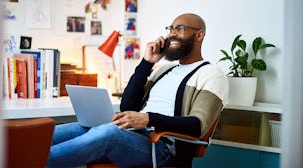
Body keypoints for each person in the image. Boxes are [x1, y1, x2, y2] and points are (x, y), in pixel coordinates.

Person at [47, 13, 228, 167]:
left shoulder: (211, 75)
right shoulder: (165, 70)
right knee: (57, 132)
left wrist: (148, 119)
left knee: (108, 133)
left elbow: (197, 126)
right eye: (170, 29)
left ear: (199, 35)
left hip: (161, 147)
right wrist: (147, 62)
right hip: (132, 134)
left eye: (180, 29)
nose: (171, 35)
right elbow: (128, 105)